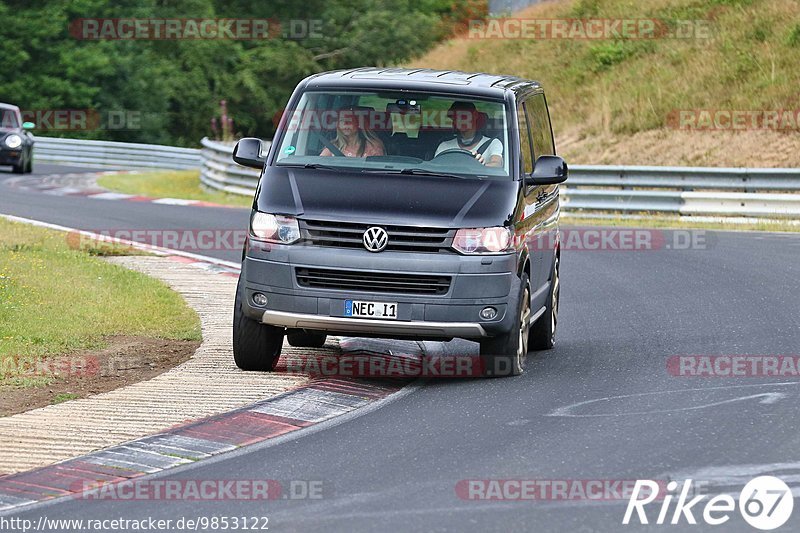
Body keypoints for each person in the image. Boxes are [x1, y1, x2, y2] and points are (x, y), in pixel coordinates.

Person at [435, 101, 503, 167]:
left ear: (475, 115)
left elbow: (497, 164)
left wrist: (483, 166)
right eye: (456, 117)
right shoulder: (444, 146)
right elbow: (435, 169)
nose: (460, 119)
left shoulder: (493, 143)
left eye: (464, 115)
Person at [320, 106, 385, 157]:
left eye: (349, 120)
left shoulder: (372, 146)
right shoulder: (332, 147)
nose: (345, 124)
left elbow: (378, 170)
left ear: (359, 123)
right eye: (342, 120)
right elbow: (318, 166)